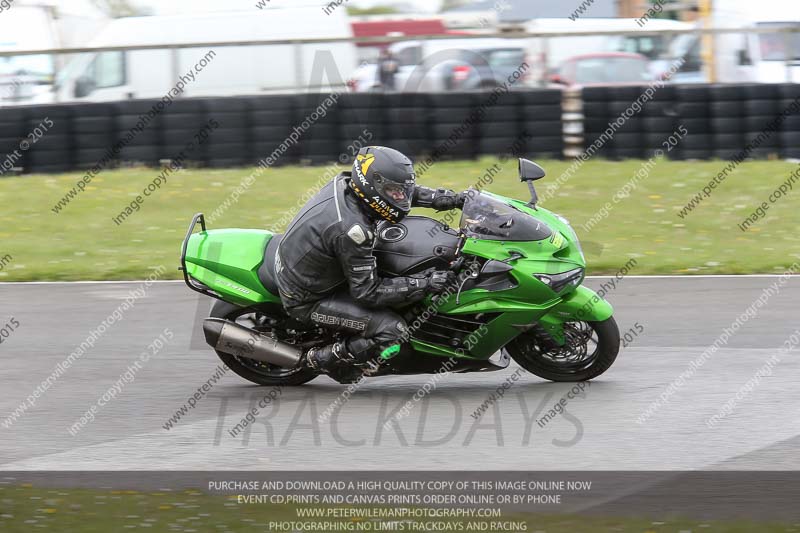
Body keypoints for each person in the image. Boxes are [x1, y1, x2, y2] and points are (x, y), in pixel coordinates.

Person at [275, 146, 467, 382]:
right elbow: (367, 292)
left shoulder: (348, 183)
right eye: (394, 191)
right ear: (372, 186)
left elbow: (401, 193)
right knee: (393, 332)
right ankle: (321, 359)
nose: (401, 197)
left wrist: (450, 199)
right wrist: (425, 282)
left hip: (310, 265)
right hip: (308, 298)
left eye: (401, 190)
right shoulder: (353, 230)